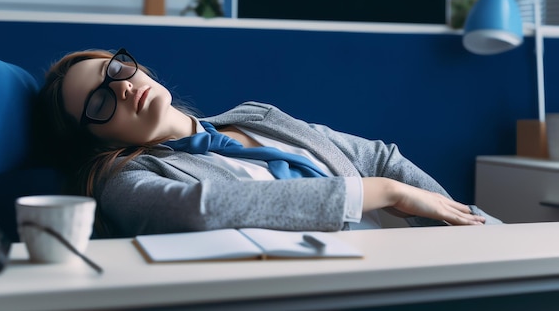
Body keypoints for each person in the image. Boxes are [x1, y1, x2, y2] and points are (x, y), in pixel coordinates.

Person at [34, 47, 501, 238]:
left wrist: (472, 230)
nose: (122, 88)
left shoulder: (256, 118)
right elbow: (196, 208)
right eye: (98, 103)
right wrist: (381, 192)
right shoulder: (123, 178)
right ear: (96, 141)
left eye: (115, 71)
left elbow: (377, 157)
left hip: (416, 253)